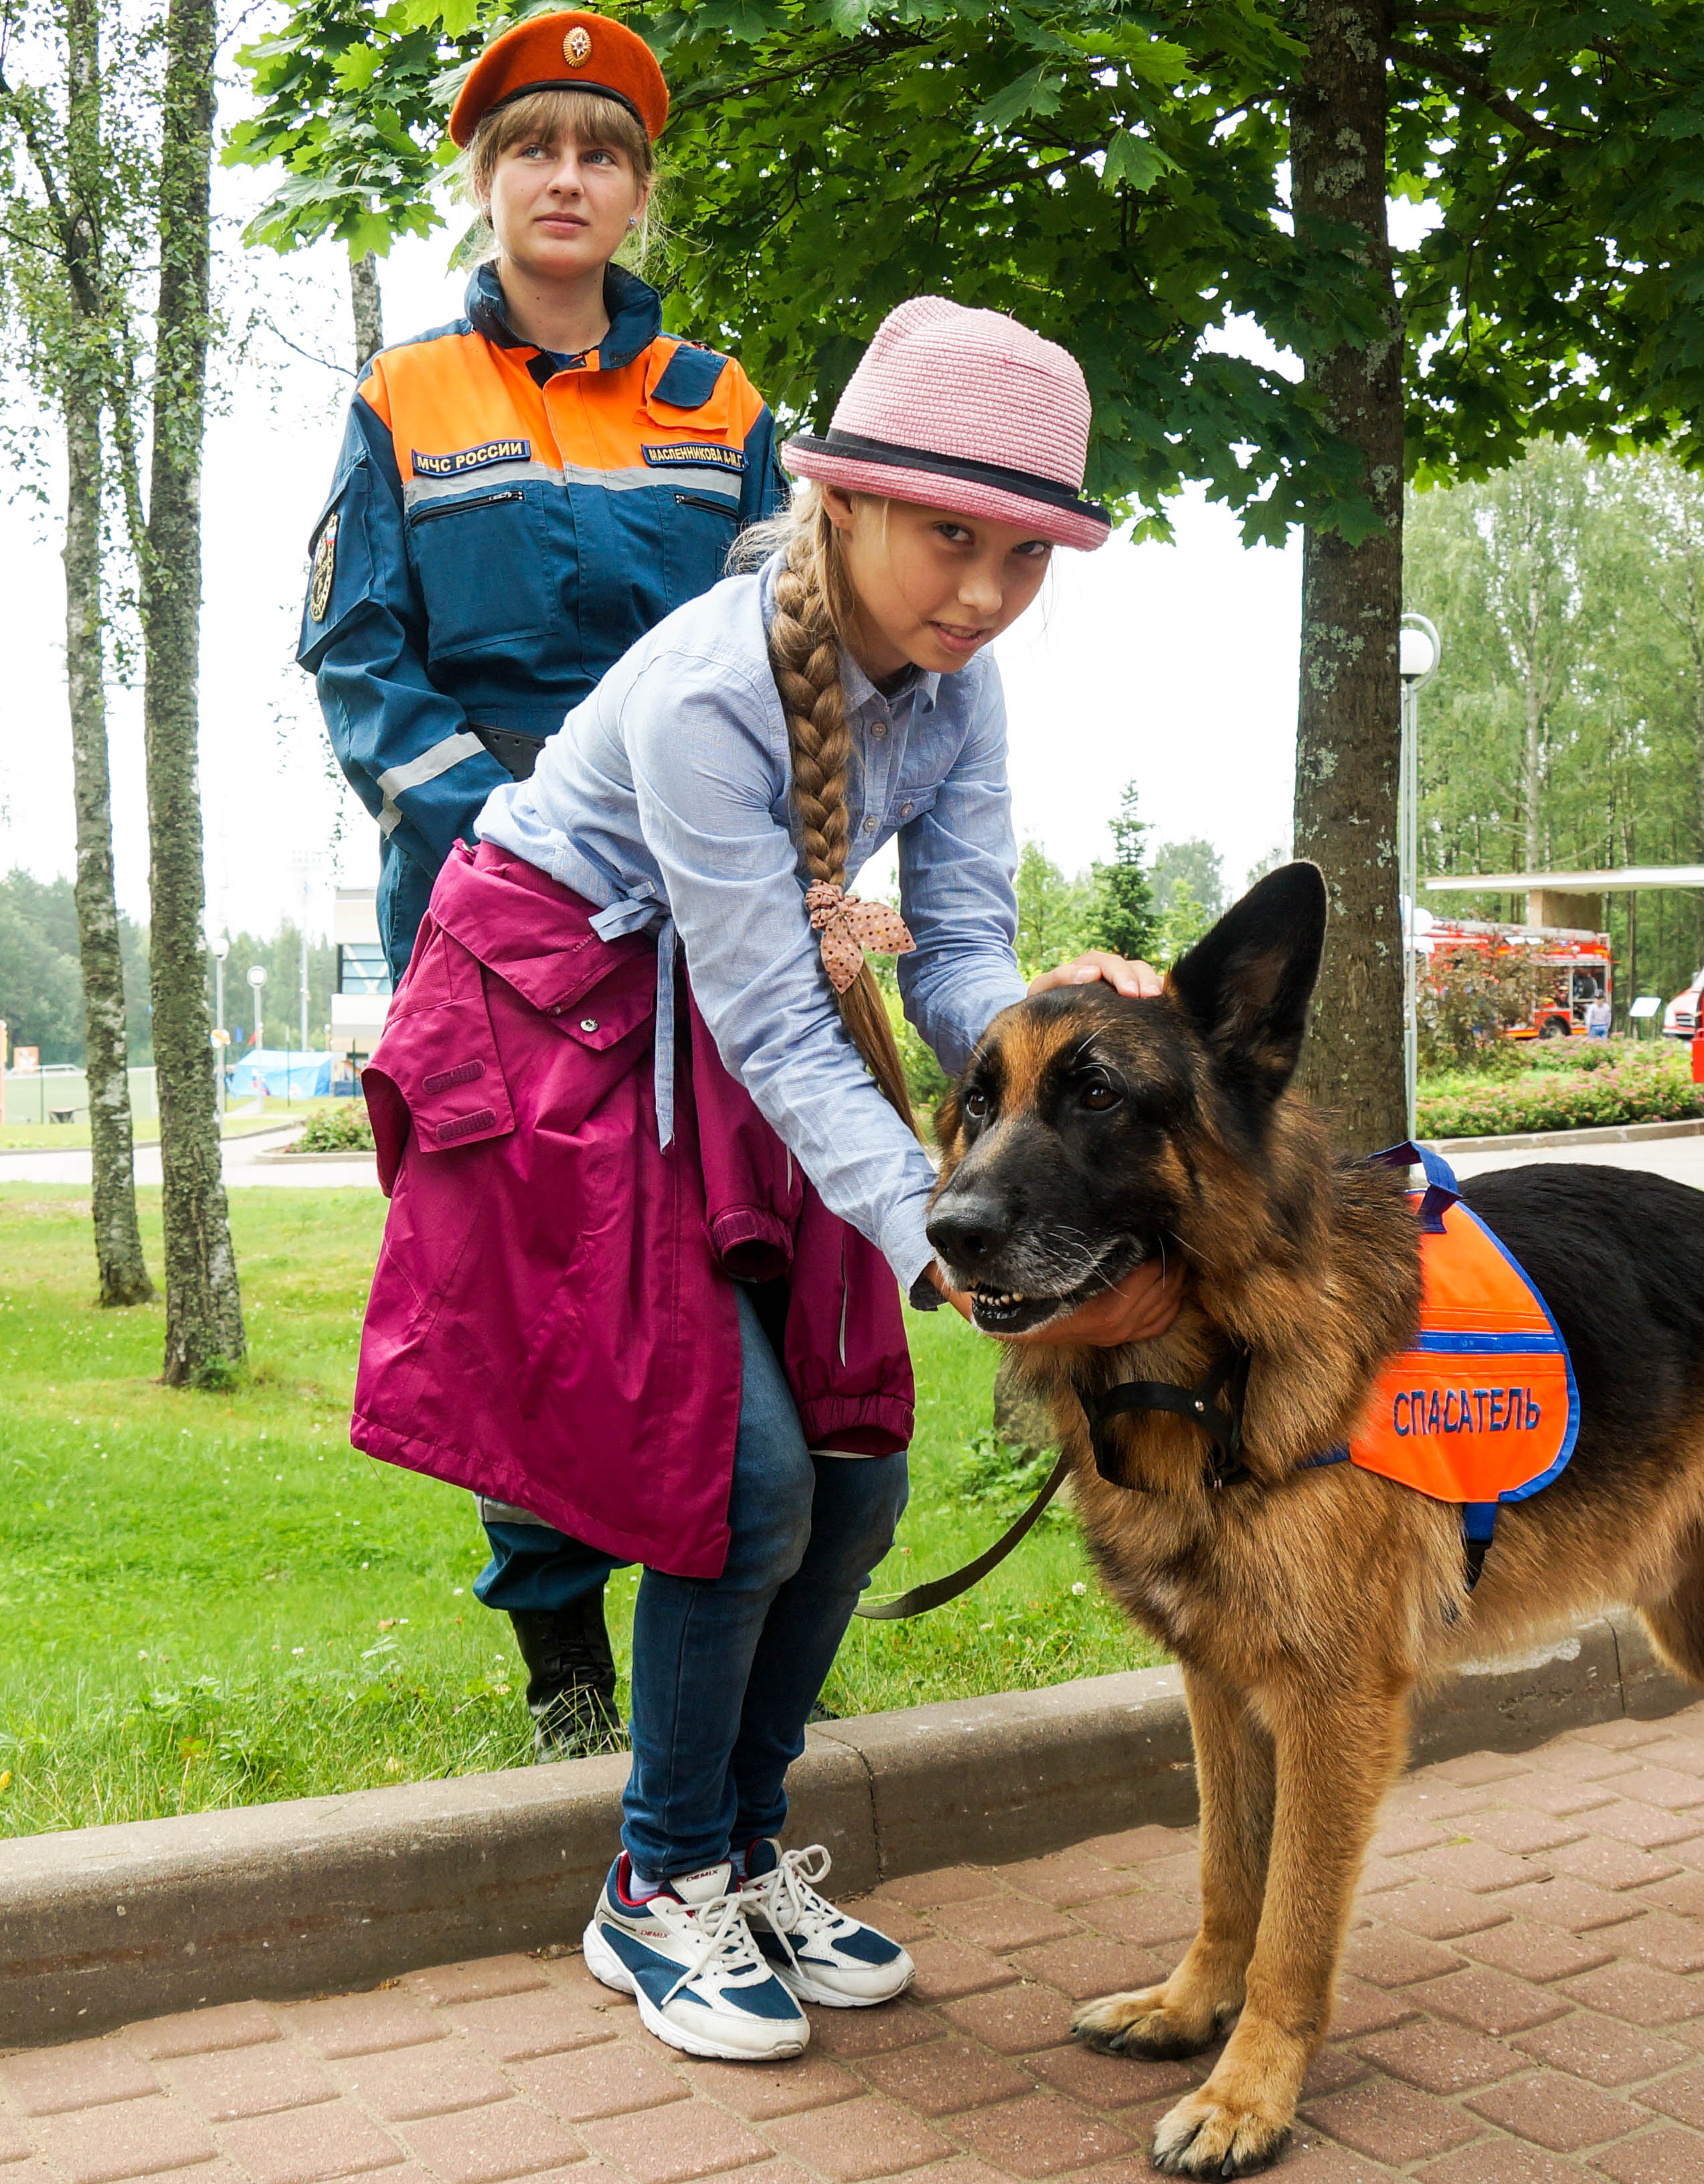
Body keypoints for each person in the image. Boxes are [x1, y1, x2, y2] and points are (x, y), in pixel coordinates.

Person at [349, 296, 1184, 2062]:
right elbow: (786, 1030)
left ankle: (738, 1850)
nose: (985, 591)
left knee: (859, 1473)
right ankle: (655, 1886)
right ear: (845, 502)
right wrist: (939, 1239)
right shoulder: (714, 689)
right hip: (556, 1028)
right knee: (740, 1479)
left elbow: (957, 958)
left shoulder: (960, 686)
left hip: (719, 1025)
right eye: (950, 537)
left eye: (1025, 556)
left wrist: (1059, 1019)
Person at [297, 11, 784, 1755]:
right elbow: (358, 660)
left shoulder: (723, 406)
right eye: (533, 150)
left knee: (716, 1251)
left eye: (599, 153)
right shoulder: (405, 398)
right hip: (491, 917)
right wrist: (512, 846)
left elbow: (785, 645)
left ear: (640, 191)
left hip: (699, 899)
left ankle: (727, 1614)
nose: (565, 179)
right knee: (529, 1279)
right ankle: (565, 1659)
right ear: (487, 181)